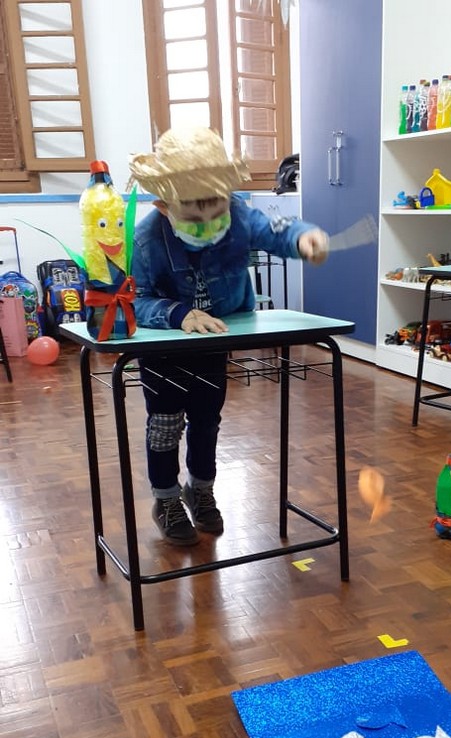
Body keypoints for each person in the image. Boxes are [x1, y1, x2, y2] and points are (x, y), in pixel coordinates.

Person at [128, 127, 329, 545]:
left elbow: (277, 229)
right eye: (192, 217)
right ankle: (166, 498)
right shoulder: (147, 238)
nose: (208, 224)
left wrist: (303, 236)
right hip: (163, 350)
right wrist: (178, 313)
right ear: (164, 206)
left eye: (216, 210)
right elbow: (137, 301)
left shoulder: (239, 213)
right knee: (164, 425)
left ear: (228, 195)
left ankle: (200, 490)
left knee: (206, 421)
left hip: (216, 341)